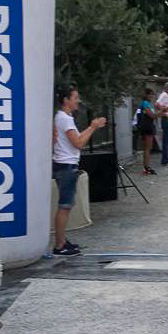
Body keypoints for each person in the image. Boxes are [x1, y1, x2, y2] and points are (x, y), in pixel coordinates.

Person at [52, 85, 106, 256]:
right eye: (75, 98)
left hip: (63, 165)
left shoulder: (62, 117)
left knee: (65, 206)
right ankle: (59, 245)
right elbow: (79, 143)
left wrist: (91, 128)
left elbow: (76, 140)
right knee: (65, 206)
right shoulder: (65, 119)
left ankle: (62, 241)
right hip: (66, 166)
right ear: (66, 100)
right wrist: (93, 126)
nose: (78, 101)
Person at [138, 88, 158, 175]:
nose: (151, 96)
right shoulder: (145, 103)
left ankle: (147, 166)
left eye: (152, 94)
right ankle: (147, 167)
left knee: (147, 148)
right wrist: (161, 112)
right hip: (147, 127)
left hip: (148, 126)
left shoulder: (147, 103)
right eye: (150, 94)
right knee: (147, 148)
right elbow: (151, 115)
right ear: (146, 95)